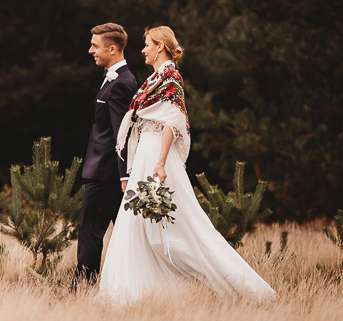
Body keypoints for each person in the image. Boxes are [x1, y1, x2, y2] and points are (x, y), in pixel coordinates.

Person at [100, 26, 275, 304]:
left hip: (157, 154)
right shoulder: (155, 78)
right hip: (146, 151)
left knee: (184, 227)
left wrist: (159, 162)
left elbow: (172, 122)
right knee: (136, 224)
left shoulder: (171, 77)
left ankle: (245, 289)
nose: (143, 49)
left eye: (147, 44)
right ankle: (132, 293)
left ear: (160, 46)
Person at [72, 23, 138, 288]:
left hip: (107, 175)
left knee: (90, 234)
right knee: (125, 236)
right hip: (106, 173)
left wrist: (124, 176)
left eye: (95, 46)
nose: (90, 51)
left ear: (112, 49)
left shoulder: (122, 83)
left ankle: (81, 289)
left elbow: (121, 135)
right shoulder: (116, 78)